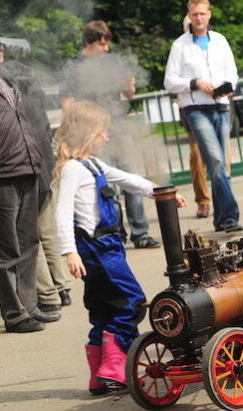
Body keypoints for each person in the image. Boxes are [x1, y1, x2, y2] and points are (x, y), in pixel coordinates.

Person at [54, 101, 187, 394]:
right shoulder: (74, 170)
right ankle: (115, 369)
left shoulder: (94, 165)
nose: (107, 137)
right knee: (130, 301)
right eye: (104, 132)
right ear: (90, 133)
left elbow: (129, 181)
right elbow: (62, 212)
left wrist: (161, 193)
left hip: (103, 248)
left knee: (103, 309)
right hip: (98, 249)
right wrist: (69, 250)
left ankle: (100, 375)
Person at [0, 17, 59, 333]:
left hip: (26, 165)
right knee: (6, 248)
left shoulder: (2, 74)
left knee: (29, 241)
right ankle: (14, 314)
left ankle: (29, 306)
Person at [60, 20, 161, 249]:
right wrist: (77, 131)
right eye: (101, 44)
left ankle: (141, 233)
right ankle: (116, 233)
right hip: (94, 135)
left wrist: (130, 86)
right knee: (107, 187)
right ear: (88, 42)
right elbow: (67, 103)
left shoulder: (113, 61)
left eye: (107, 44)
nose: (106, 49)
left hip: (118, 127)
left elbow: (127, 93)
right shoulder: (73, 66)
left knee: (132, 176)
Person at [0, 41, 72, 312]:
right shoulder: (30, 77)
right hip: (44, 161)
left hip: (23, 165)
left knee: (27, 236)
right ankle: (62, 288)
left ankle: (47, 296)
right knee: (47, 231)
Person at [164, 0, 243, 233]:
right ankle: (230, 217)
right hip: (196, 108)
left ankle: (221, 220)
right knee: (216, 162)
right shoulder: (180, 45)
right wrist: (195, 83)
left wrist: (228, 86)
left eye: (202, 14)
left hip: (220, 105)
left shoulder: (219, 40)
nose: (199, 18)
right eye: (194, 14)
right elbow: (169, 81)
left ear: (209, 15)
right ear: (189, 16)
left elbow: (232, 72)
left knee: (221, 167)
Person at [180, 14, 211, 219]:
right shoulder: (181, 49)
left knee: (220, 161)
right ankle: (203, 201)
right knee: (197, 155)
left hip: (217, 107)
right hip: (191, 109)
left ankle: (224, 203)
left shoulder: (215, 42)